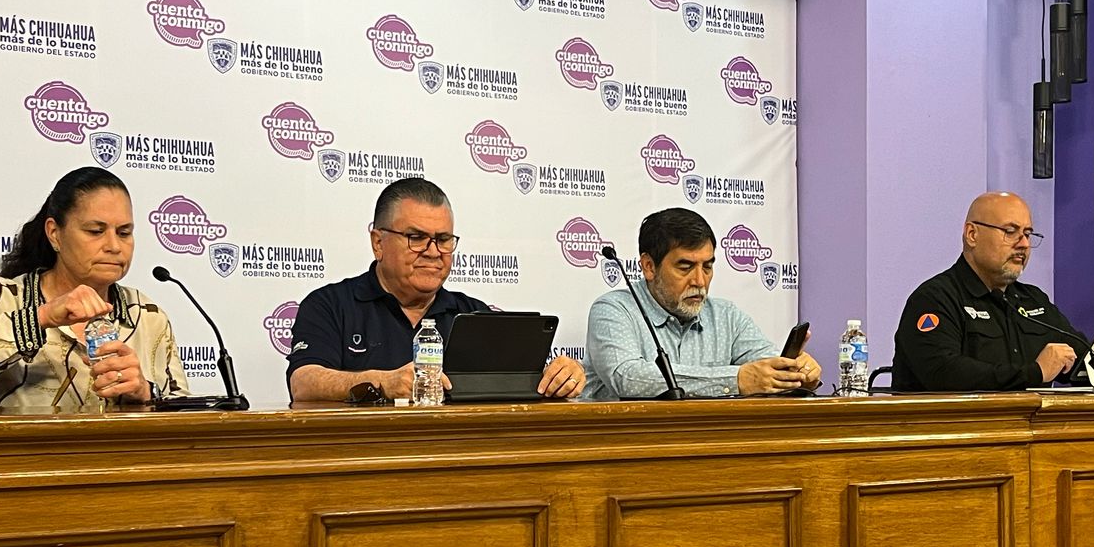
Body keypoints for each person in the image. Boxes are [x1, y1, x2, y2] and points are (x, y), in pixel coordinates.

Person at [0, 167, 188, 411]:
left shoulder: (147, 316)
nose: (114, 245)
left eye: (124, 232)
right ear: (54, 233)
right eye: (95, 231)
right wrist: (40, 318)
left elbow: (187, 421)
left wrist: (145, 393)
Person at [286, 177, 587, 401]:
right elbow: (303, 383)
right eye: (416, 237)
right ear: (378, 242)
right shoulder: (330, 305)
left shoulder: (474, 314)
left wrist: (560, 378)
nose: (433, 252)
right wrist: (382, 383)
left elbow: (522, 385)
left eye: (443, 240)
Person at [893, 191, 1094, 391]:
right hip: (956, 438)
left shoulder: (1032, 300)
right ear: (972, 235)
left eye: (1027, 233)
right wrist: (1034, 373)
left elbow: (1080, 359)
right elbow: (943, 374)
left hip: (1030, 437)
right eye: (1010, 231)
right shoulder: (935, 299)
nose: (1023, 244)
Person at [584, 207, 821, 399]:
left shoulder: (726, 316)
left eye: (707, 267)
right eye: (685, 267)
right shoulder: (613, 310)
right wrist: (736, 380)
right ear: (649, 266)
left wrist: (795, 373)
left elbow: (765, 366)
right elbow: (627, 377)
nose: (699, 281)